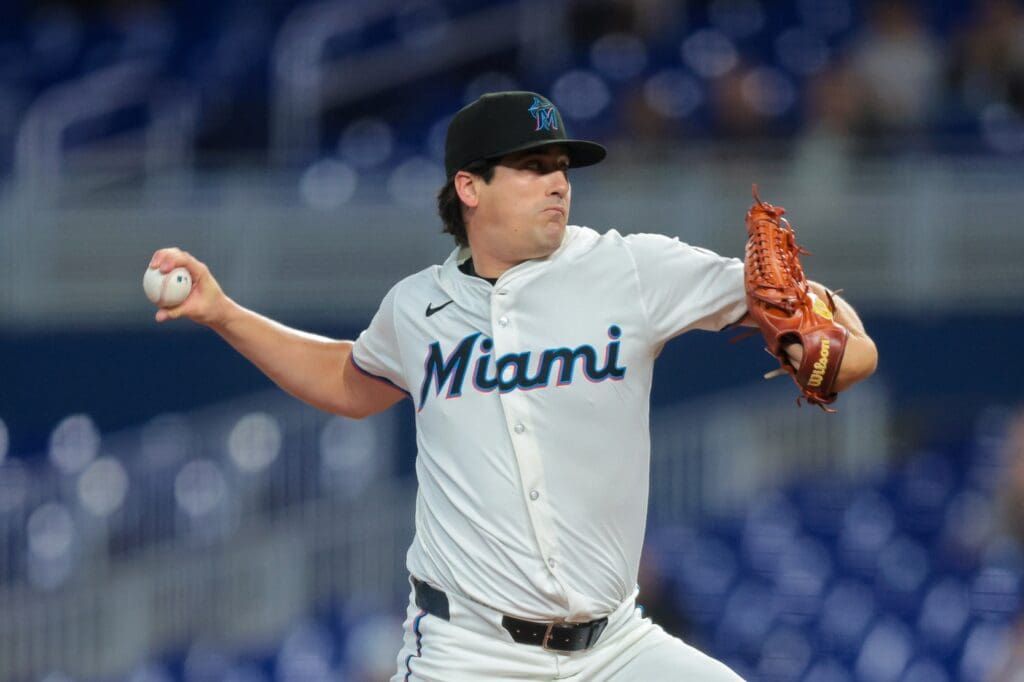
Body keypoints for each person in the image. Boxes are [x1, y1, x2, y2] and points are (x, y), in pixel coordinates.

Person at [149, 91, 878, 681]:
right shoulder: (416, 308)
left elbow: (819, 323)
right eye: (531, 165)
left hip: (615, 647)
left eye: (561, 163)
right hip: (470, 654)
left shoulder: (627, 269)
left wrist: (833, 334)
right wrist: (223, 312)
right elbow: (349, 381)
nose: (557, 180)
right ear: (470, 186)